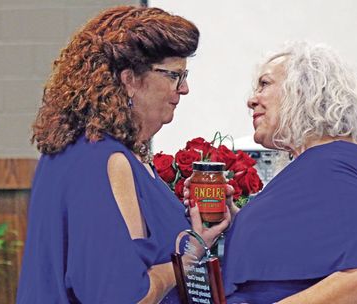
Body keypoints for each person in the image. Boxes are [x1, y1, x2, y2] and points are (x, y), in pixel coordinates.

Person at [16, 6, 229, 304]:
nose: (184, 88)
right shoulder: (104, 160)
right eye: (173, 75)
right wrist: (187, 260)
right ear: (129, 79)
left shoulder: (74, 151)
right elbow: (127, 297)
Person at [221, 41, 357, 303]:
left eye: (265, 84)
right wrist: (236, 219)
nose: (251, 99)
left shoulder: (335, 161)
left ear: (303, 89)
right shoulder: (320, 164)